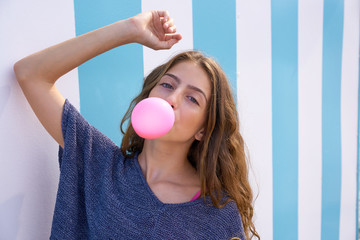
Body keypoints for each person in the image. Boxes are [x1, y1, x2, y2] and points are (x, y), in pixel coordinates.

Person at [14, 10, 259, 240]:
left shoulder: (218, 214)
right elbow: (31, 74)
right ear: (149, 95)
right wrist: (130, 30)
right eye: (167, 85)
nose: (171, 99)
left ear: (203, 130)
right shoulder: (99, 164)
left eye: (192, 98)